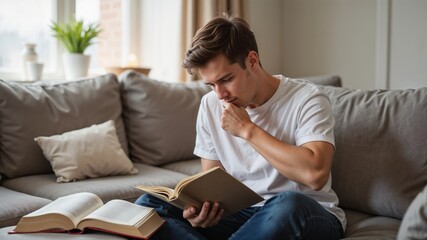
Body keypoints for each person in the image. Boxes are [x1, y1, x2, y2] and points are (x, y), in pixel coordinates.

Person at [135, 15, 346, 240]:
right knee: (147, 206)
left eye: (226, 80)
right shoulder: (210, 104)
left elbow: (315, 175)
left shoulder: (307, 98)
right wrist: (202, 211)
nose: (220, 94)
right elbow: (211, 182)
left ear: (252, 61)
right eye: (211, 84)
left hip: (308, 214)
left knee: (288, 202)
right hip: (244, 213)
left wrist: (247, 129)